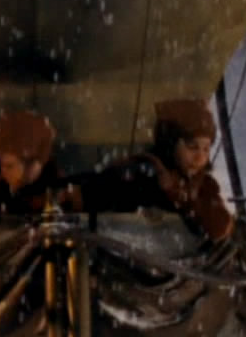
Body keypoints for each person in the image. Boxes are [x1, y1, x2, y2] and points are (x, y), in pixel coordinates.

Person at [83, 99, 234, 242]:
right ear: (171, 143)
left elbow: (219, 228)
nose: (200, 157)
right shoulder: (138, 173)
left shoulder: (204, 185)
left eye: (206, 149)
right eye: (192, 146)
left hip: (186, 259)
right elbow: (97, 211)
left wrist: (182, 198)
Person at [0, 110, 80, 215]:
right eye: (1, 164)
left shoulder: (57, 184)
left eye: (9, 166)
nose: (3, 171)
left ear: (34, 164)